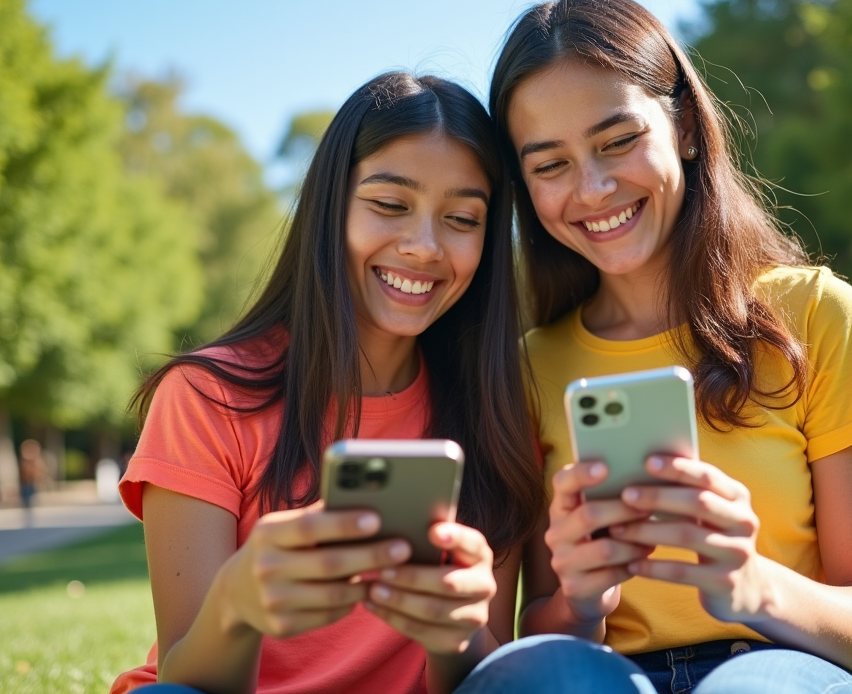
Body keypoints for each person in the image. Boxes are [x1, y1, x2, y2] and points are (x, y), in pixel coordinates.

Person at [455, 0, 852, 693]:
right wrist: (579, 601)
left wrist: (753, 585)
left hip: (774, 669)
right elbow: (523, 653)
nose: (595, 187)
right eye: (550, 165)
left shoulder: (818, 313)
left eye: (619, 140)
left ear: (687, 127)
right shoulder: (529, 367)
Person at [110, 72, 544, 694]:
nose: (424, 247)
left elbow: (476, 684)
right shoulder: (206, 396)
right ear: (328, 209)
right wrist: (238, 601)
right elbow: (189, 680)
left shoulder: (491, 413)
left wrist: (457, 628)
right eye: (390, 205)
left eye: (462, 218)